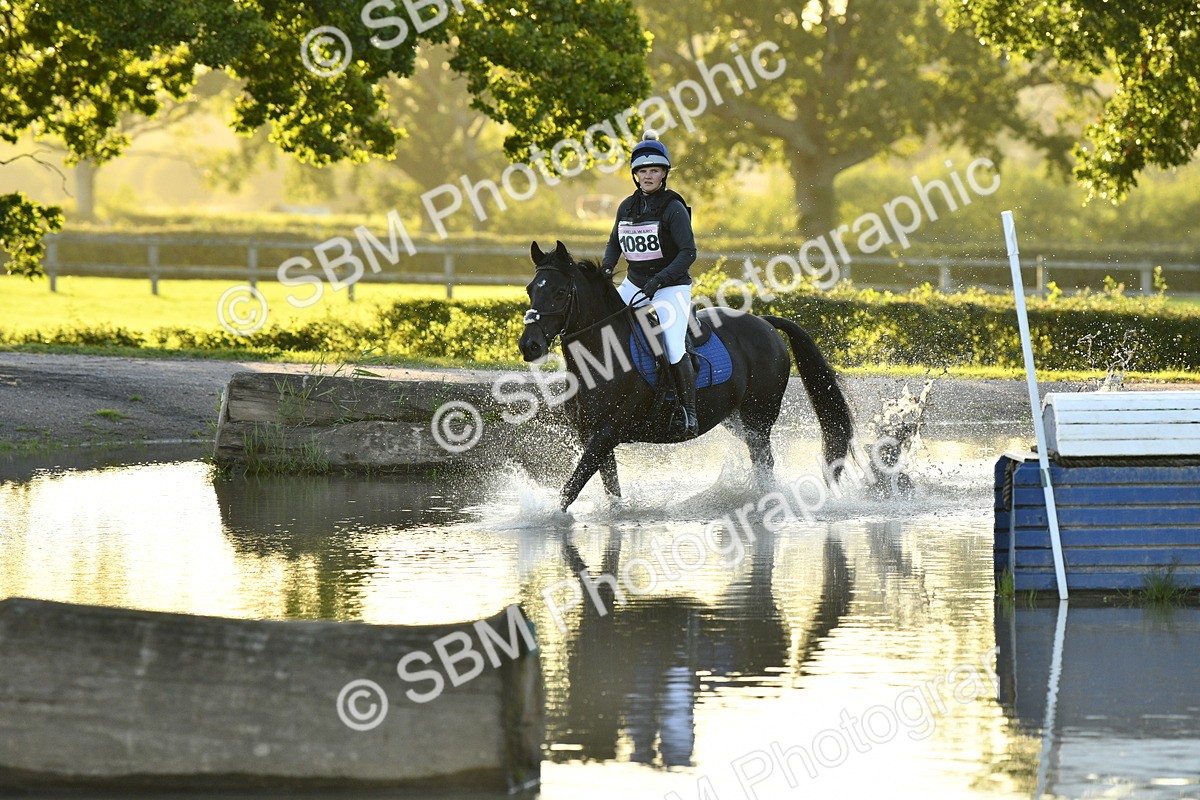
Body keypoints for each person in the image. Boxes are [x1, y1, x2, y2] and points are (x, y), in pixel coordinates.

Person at [601, 130, 698, 438]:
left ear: (664, 173)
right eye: (643, 171)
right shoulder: (626, 208)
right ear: (635, 175)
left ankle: (688, 413)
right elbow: (615, 242)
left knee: (671, 346)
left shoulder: (673, 208)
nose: (648, 176)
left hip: (671, 287)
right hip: (635, 283)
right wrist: (606, 267)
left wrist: (660, 280)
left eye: (654, 170)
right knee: (606, 330)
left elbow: (688, 252)